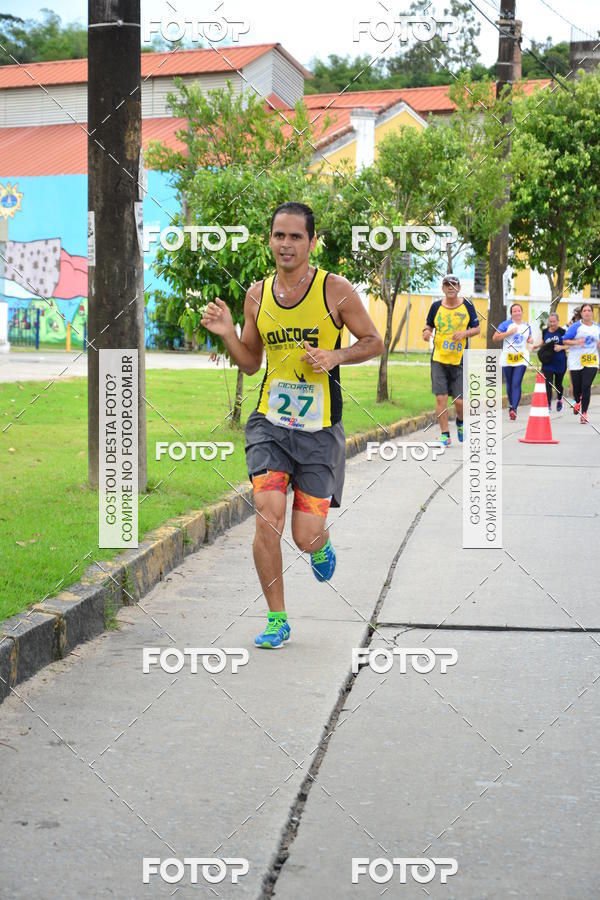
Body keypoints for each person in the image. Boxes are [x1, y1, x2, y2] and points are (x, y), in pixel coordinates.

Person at [201, 202, 384, 648]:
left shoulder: (335, 290)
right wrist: (228, 333)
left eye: (295, 237)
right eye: (278, 235)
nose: (286, 244)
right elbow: (250, 364)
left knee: (304, 536)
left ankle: (320, 543)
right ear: (270, 240)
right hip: (269, 424)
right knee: (268, 515)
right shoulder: (257, 296)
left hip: (320, 430)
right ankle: (276, 618)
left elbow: (374, 341)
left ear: (312, 242)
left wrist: (335, 356)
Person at [422, 274, 480, 446]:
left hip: (460, 358)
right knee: (441, 398)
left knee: (459, 401)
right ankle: (445, 434)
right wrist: (425, 332)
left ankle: (460, 422)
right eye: (447, 285)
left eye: (453, 285)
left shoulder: (468, 305)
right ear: (443, 288)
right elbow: (428, 325)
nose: (450, 287)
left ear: (459, 287)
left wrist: (465, 333)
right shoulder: (435, 306)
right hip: (439, 358)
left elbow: (476, 329)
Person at [492, 302, 534, 420]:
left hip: (521, 358)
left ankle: (514, 408)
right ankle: (511, 405)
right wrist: (509, 333)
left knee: (516, 382)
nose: (517, 313)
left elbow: (529, 337)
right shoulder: (506, 324)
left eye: (518, 310)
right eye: (514, 311)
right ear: (511, 314)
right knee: (510, 384)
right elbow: (495, 338)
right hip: (507, 357)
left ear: (522, 312)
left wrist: (530, 340)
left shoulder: (526, 326)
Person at [563, 302, 600, 424]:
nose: (587, 312)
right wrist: (577, 342)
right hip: (576, 361)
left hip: (592, 360)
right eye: (585, 311)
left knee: (586, 385)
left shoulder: (597, 328)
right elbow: (565, 340)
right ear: (581, 313)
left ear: (592, 313)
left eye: (589, 310)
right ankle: (577, 402)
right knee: (578, 388)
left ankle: (584, 413)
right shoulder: (575, 327)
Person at [533, 312, 567, 411]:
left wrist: (561, 347)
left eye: (554, 322)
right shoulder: (545, 331)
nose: (552, 324)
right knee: (548, 383)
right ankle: (548, 405)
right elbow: (544, 342)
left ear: (558, 321)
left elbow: (569, 344)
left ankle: (560, 399)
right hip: (548, 361)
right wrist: (537, 346)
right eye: (550, 321)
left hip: (560, 362)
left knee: (558, 384)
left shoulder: (562, 332)